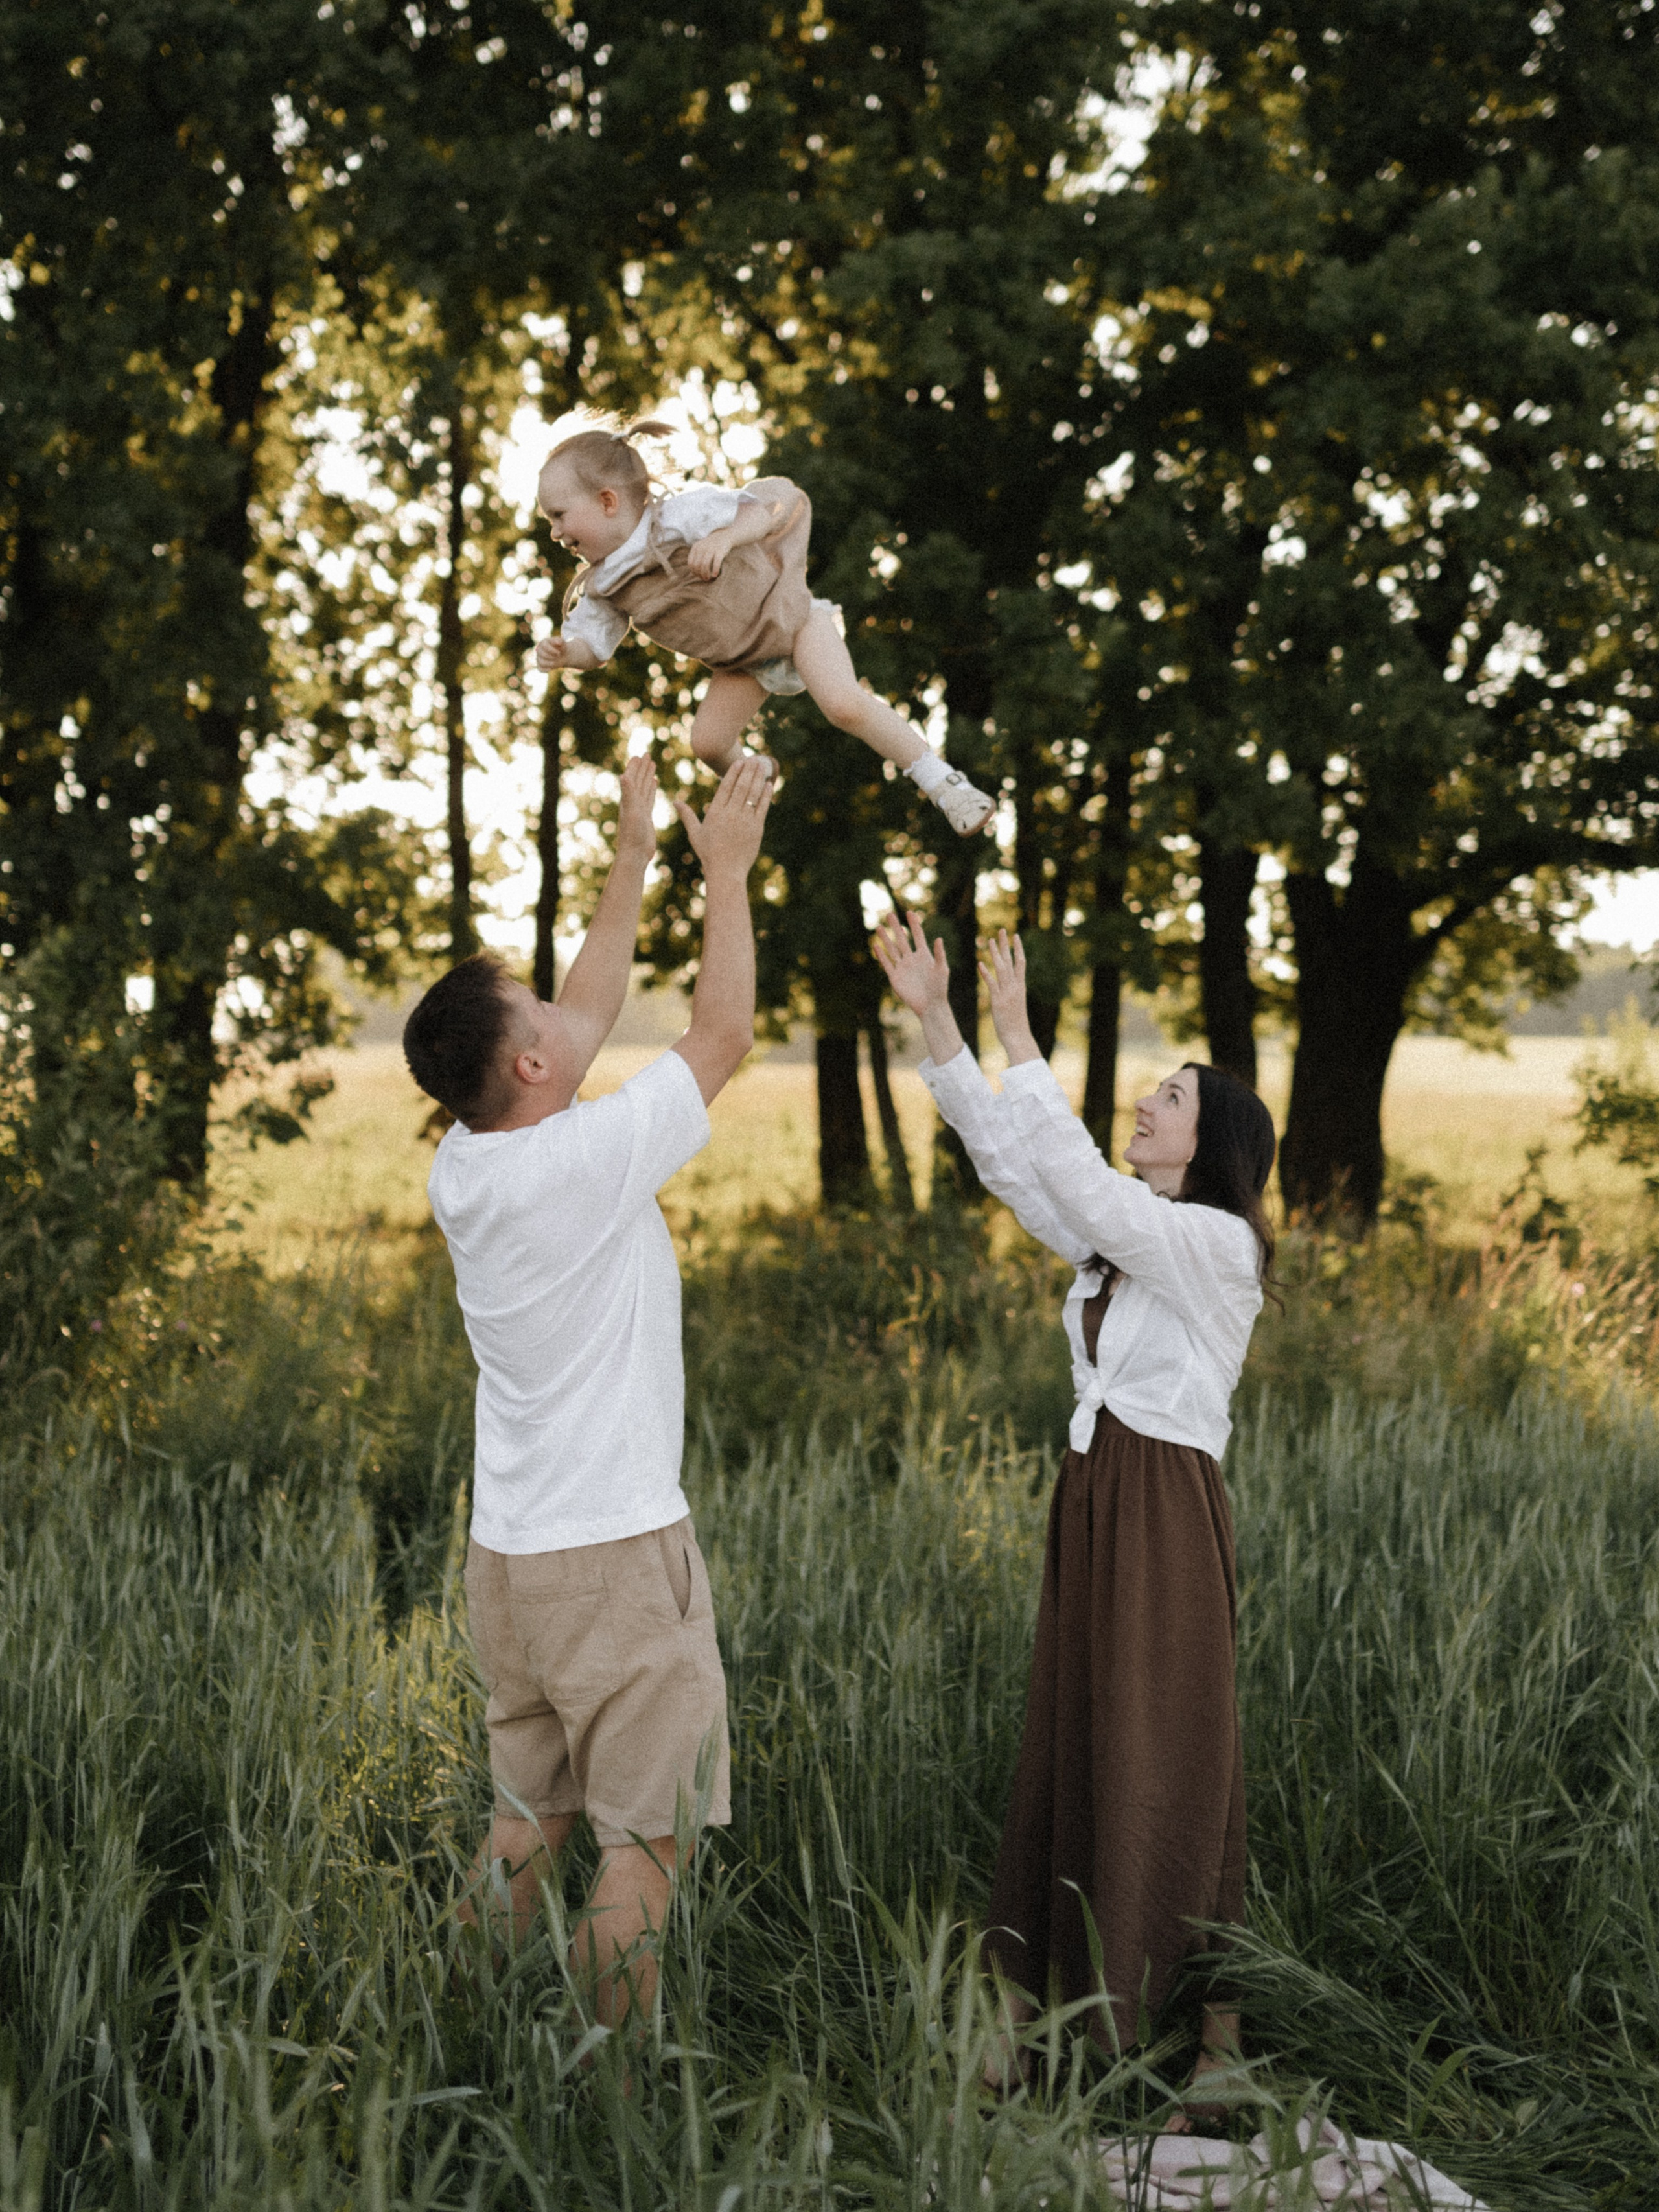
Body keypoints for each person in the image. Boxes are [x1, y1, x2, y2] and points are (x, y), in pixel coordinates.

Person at [872, 911, 1277, 2125]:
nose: (1146, 1102)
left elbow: (1092, 1193)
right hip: (1094, 1501)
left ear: (1212, 1143)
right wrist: (940, 1020)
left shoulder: (1215, 1245)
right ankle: (1025, 2032)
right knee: (1073, 1748)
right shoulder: (1123, 1246)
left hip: (1164, 1517)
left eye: (1170, 1097)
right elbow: (1020, 1167)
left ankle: (1217, 2046)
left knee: (1173, 1758)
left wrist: (1019, 1034)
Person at [402, 752, 772, 2034]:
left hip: (512, 1560)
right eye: (540, 1017)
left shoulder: (468, 1160)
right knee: (646, 1846)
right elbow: (721, 1035)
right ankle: (603, 2093)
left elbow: (585, 1009)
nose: (565, 1016)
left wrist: (631, 853)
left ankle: (464, 2044)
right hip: (612, 1555)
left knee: (526, 1822)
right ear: (529, 1068)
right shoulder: (586, 1159)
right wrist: (726, 873)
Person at [531, 419, 996, 839]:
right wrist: (567, 653)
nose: (554, 531)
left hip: (791, 619)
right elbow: (595, 647)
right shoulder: (604, 586)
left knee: (842, 704)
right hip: (744, 661)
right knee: (708, 744)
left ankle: (947, 786)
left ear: (607, 501)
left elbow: (759, 511)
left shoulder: (678, 518)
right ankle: (757, 777)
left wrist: (726, 537)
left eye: (558, 515)